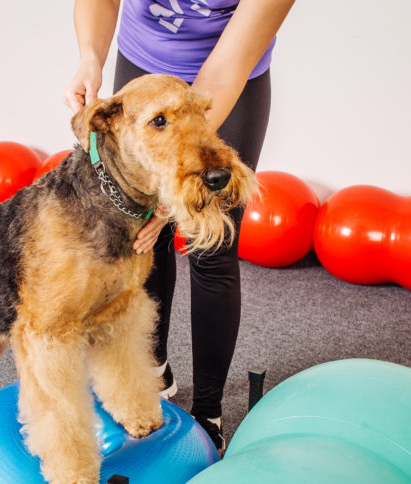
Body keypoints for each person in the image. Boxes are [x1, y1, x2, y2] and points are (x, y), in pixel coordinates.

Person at [65, 0, 295, 453]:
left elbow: (223, 71)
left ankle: (208, 411)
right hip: (143, 65)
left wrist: (176, 193)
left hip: (228, 79)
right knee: (142, 238)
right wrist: (90, 56)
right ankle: (153, 367)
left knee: (212, 247)